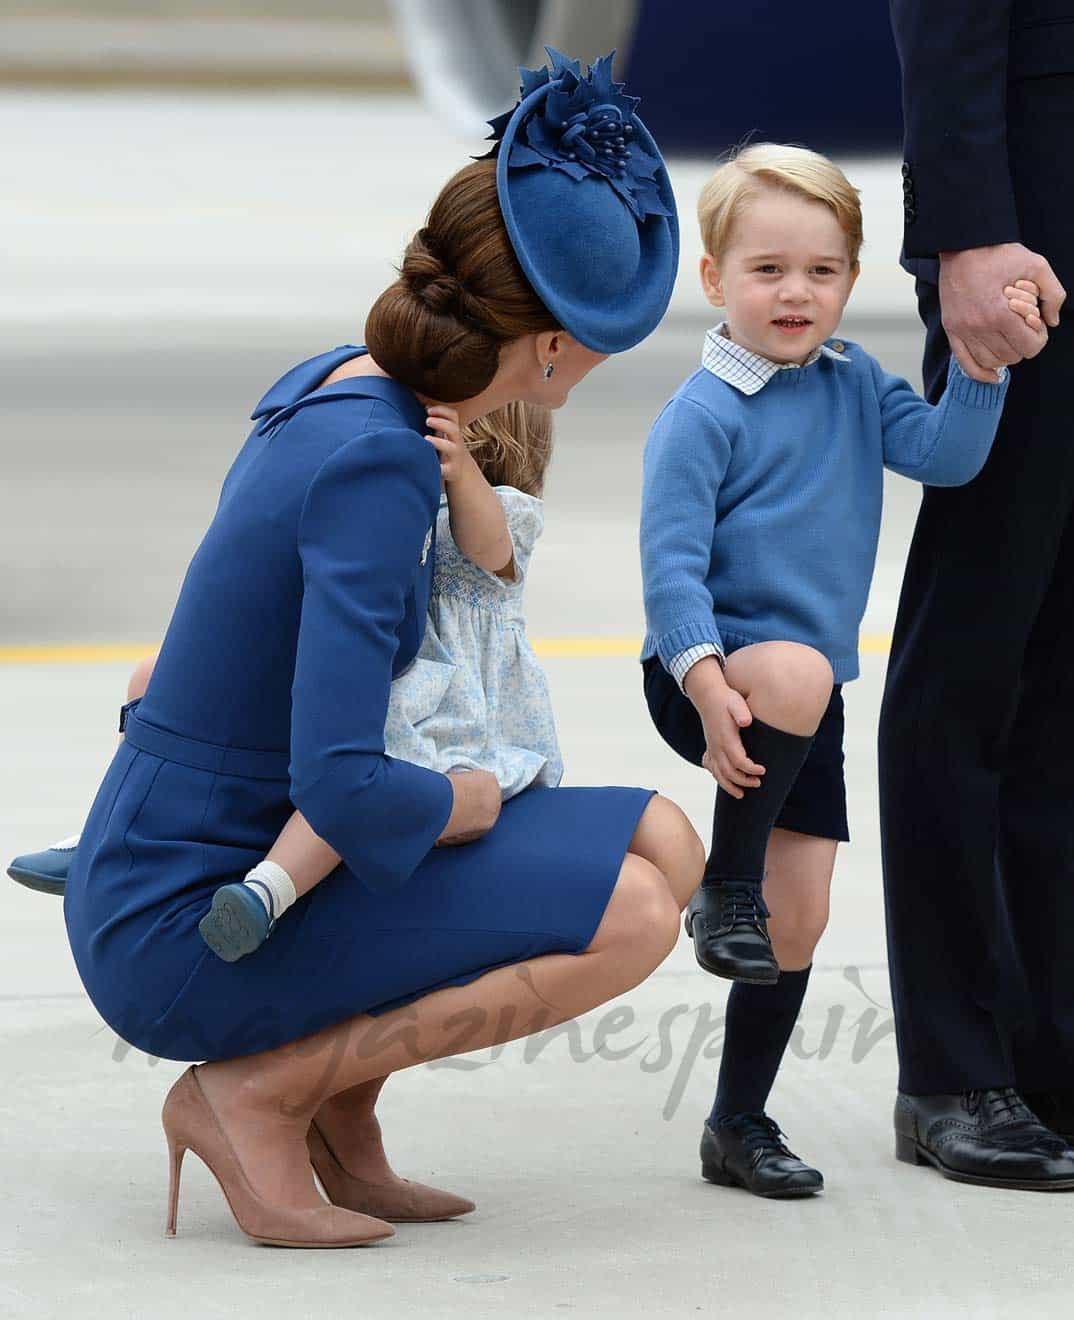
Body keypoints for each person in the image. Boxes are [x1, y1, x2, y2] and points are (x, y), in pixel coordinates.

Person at [55, 49, 704, 1249]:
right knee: (630, 915)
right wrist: (466, 796)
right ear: (552, 347)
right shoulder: (378, 463)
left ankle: (340, 1112)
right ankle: (260, 1092)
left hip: (202, 841)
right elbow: (340, 784)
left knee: (668, 838)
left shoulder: (347, 384)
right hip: (185, 913)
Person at [638, 142, 1051, 1198]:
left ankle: (736, 1124)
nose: (795, 292)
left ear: (852, 284)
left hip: (801, 695)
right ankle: (721, 887)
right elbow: (671, 569)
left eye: (822, 272)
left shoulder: (855, 385)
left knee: (804, 916)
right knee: (788, 676)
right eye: (768, 269)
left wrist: (982, 372)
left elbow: (947, 461)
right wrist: (701, 680)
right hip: (711, 679)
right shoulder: (703, 414)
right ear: (714, 280)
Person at [16, 403, 564, 968]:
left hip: (435, 699)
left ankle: (266, 891)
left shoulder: (504, 512)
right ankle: (107, 831)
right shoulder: (395, 482)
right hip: (358, 659)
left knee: (355, 770)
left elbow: (492, 550)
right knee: (152, 675)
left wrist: (462, 474)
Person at [880, 0, 1074, 1190]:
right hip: (1035, 199)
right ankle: (952, 1067)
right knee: (979, 636)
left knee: (1065, 663)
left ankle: (1048, 1050)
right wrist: (965, 231)